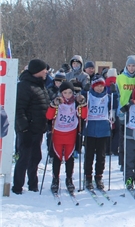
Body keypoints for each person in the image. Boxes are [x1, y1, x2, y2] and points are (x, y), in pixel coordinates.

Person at [12, 59, 50, 195]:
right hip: (27, 130)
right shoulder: (24, 86)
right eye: (44, 69)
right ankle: (17, 187)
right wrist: (24, 129)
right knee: (24, 158)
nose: (46, 72)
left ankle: (33, 185)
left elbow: (43, 105)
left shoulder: (40, 85)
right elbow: (19, 109)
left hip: (38, 129)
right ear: (37, 71)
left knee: (35, 157)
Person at [46, 81, 87, 194]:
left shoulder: (76, 102)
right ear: (61, 93)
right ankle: (55, 179)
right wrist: (53, 105)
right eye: (65, 93)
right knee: (57, 157)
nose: (68, 95)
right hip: (58, 133)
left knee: (69, 158)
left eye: (70, 92)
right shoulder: (57, 101)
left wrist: (83, 103)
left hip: (71, 133)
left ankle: (69, 179)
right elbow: (49, 116)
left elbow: (83, 116)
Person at [83, 75, 117, 190]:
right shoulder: (89, 95)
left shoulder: (108, 96)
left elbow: (115, 104)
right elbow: (81, 101)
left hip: (103, 129)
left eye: (101, 86)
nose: (99, 88)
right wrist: (84, 90)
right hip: (90, 129)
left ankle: (99, 176)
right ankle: (88, 176)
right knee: (89, 155)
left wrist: (114, 91)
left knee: (101, 155)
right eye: (97, 86)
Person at [116, 55, 135, 169]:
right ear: (126, 66)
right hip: (123, 110)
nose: (131, 68)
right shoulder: (120, 78)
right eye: (129, 66)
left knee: (133, 138)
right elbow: (117, 94)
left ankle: (134, 161)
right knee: (122, 138)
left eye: (133, 66)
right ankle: (122, 162)